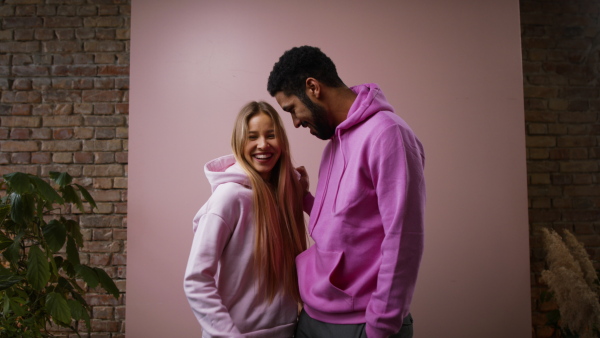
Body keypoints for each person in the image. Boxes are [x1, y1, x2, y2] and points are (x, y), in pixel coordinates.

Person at [267, 46, 426, 338]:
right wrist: (305, 199)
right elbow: (346, 226)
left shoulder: (387, 134)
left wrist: (380, 327)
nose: (296, 122)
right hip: (314, 315)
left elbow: (404, 238)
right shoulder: (334, 143)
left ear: (312, 87)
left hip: (361, 324)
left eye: (291, 109)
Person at [183, 101, 307, 337]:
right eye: (252, 137)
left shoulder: (285, 194)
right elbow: (196, 280)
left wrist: (301, 190)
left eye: (271, 135)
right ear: (240, 143)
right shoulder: (228, 198)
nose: (263, 144)